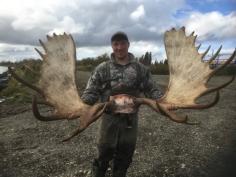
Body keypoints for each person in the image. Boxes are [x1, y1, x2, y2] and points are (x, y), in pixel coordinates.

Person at [81, 32, 163, 177]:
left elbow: (152, 89)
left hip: (130, 121)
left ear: (128, 45)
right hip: (108, 119)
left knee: (125, 156)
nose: (119, 47)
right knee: (103, 154)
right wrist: (82, 104)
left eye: (122, 43)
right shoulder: (103, 68)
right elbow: (91, 91)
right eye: (115, 44)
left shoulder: (140, 69)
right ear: (112, 46)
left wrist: (164, 102)